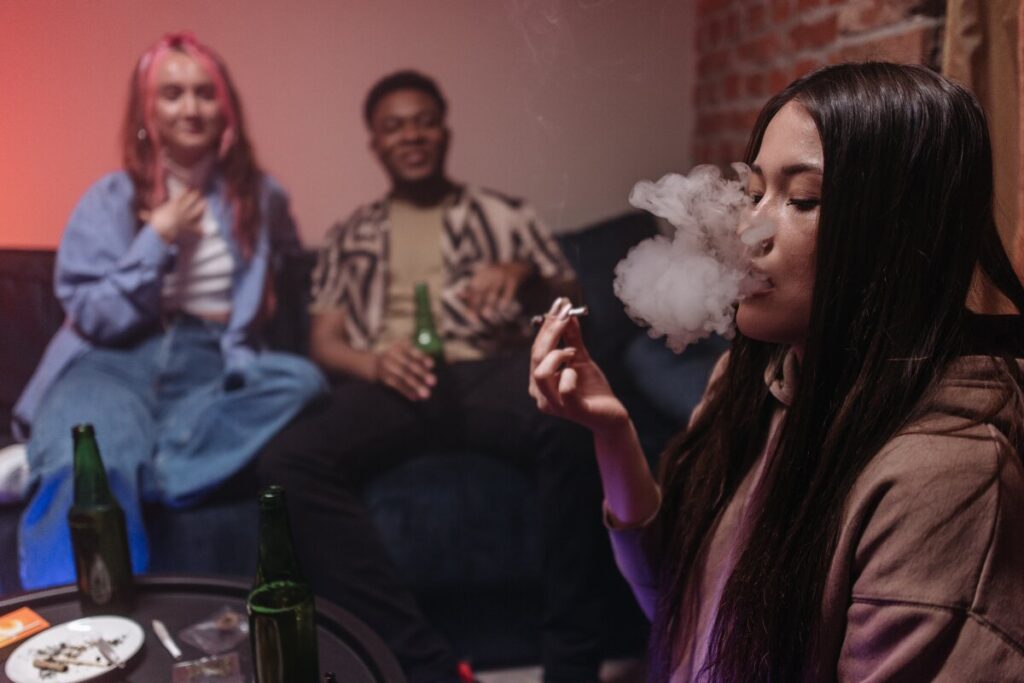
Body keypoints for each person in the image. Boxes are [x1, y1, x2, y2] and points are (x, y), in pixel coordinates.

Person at [530, 62, 1024, 681]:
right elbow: (680, 617)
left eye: (802, 200)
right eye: (754, 193)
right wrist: (611, 432)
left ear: (900, 232)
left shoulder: (946, 478)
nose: (749, 231)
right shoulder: (751, 382)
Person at [259, 70, 611, 683]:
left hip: (485, 370)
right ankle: (426, 667)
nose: (412, 136)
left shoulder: (504, 215)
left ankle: (573, 666)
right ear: (375, 142)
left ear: (445, 131)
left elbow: (574, 303)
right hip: (389, 381)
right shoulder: (350, 232)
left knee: (573, 419)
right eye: (394, 127)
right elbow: (324, 341)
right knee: (287, 463)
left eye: (424, 122)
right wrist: (374, 363)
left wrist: (524, 273)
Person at [14, 32, 326, 590]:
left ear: (225, 108)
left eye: (206, 93)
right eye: (173, 94)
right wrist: (156, 237)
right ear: (147, 111)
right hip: (115, 358)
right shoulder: (108, 198)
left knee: (301, 381)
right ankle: (76, 625)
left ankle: (138, 467)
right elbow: (93, 315)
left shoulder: (261, 196)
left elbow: (284, 262)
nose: (191, 108)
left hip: (213, 366)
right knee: (90, 462)